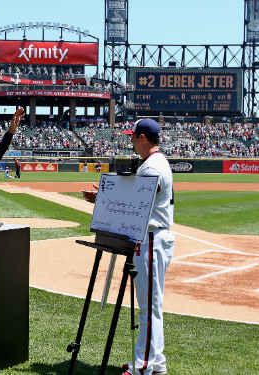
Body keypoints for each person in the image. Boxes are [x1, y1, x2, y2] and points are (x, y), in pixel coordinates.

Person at [83, 118, 174, 375]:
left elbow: (137, 204)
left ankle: (144, 365)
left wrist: (101, 198)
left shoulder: (152, 166)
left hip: (152, 239)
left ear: (143, 138)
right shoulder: (155, 163)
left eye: (133, 136)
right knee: (152, 306)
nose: (131, 140)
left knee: (148, 308)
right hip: (153, 238)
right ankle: (154, 362)